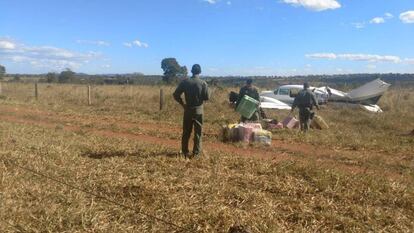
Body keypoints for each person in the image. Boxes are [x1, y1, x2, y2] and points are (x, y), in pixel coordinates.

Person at [173, 64, 210, 158]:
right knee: (198, 133)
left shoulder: (185, 82)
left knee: (186, 132)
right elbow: (207, 97)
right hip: (199, 111)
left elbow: (176, 94)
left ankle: (184, 152)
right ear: (200, 71)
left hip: (188, 110)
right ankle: (196, 154)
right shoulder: (203, 83)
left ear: (191, 71)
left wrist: (183, 104)